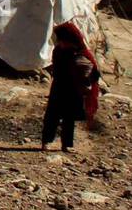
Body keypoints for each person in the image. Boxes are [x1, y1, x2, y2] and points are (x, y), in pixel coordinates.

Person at [42, 21, 101, 152]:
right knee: (52, 115)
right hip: (59, 87)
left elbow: (95, 73)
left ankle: (67, 144)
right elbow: (56, 69)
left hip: (74, 90)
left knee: (69, 118)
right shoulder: (59, 51)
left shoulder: (83, 53)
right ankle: (46, 141)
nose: (60, 43)